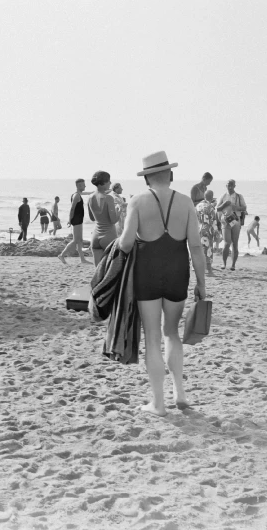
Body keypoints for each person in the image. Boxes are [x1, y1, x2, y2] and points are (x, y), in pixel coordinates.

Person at [118, 151, 206, 417]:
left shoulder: (138, 201)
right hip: (178, 273)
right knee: (172, 333)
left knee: (153, 338)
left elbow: (126, 243)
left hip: (147, 275)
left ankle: (158, 404)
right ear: (170, 174)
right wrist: (202, 283)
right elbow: (195, 247)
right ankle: (180, 393)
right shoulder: (185, 202)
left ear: (146, 178)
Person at [87, 171, 119, 266]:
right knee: (113, 268)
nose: (110, 183)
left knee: (98, 270)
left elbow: (92, 218)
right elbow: (113, 220)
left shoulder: (90, 197)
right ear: (103, 182)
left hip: (95, 236)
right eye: (109, 181)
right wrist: (119, 210)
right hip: (108, 235)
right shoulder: (108, 198)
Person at [57, 179, 91, 265]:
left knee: (79, 240)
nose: (85, 186)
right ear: (79, 186)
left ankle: (82, 259)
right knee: (76, 240)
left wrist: (95, 192)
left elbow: (86, 193)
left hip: (78, 219)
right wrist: (69, 219)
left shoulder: (78, 194)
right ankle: (62, 255)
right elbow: (72, 208)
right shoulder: (76, 196)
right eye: (83, 185)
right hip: (76, 220)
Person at [217, 179, 247, 271]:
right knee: (226, 243)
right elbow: (218, 209)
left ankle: (233, 265)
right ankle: (224, 263)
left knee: (235, 244)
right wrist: (225, 204)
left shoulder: (239, 196)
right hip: (225, 221)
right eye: (228, 185)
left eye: (231, 185)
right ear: (226, 186)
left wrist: (236, 207)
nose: (229, 187)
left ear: (234, 186)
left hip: (235, 220)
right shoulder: (223, 196)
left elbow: (244, 207)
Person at [196, 189, 219, 275]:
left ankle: (197, 268)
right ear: (212, 197)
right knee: (208, 250)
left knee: (199, 249)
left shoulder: (198, 206)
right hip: (207, 230)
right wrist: (217, 234)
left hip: (198, 229)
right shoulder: (210, 207)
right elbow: (214, 222)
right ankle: (209, 271)